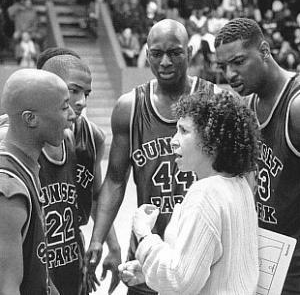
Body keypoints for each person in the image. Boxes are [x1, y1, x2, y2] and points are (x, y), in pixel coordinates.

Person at [85, 18, 220, 295]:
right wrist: (98, 238)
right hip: (147, 252)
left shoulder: (213, 100)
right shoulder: (129, 107)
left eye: (174, 52)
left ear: (190, 53)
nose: (166, 62)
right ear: (146, 55)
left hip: (200, 252)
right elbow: (114, 180)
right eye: (157, 54)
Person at [119, 90, 260, 294]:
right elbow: (210, 268)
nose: (173, 140)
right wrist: (147, 270)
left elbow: (180, 279)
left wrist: (144, 235)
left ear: (212, 141)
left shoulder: (205, 194)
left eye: (184, 131)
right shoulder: (239, 186)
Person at [215, 17, 300, 294]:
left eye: (238, 62)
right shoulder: (246, 105)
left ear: (264, 51)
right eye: (223, 66)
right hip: (263, 257)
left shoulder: (296, 107)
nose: (230, 75)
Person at [37, 47, 122, 294]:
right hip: (34, 260)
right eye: (73, 90)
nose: (82, 102)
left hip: (71, 254)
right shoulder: (18, 136)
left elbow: (96, 195)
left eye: (86, 93)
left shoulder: (92, 137)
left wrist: (112, 245)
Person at [0, 68, 75, 294]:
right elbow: (8, 287)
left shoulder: (25, 161)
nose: (72, 113)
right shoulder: (8, 190)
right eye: (63, 107)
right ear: (30, 119)